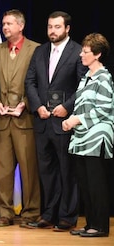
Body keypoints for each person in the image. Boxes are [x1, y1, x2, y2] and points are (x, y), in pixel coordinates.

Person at [24, 11, 87, 231]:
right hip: (42, 122)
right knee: (47, 172)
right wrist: (38, 105)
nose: (52, 31)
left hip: (64, 122)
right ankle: (48, 214)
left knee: (67, 171)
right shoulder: (40, 51)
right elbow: (30, 81)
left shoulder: (78, 51)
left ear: (67, 29)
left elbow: (83, 86)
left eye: (57, 27)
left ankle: (67, 217)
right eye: (50, 26)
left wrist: (66, 107)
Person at [0, 9, 41, 227]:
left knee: (29, 170)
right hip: (1, 120)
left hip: (25, 120)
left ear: (21, 26)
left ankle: (31, 212)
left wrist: (26, 104)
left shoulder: (36, 50)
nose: (5, 27)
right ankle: (4, 212)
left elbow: (40, 83)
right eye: (3, 23)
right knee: (2, 170)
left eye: (9, 23)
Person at [62, 33, 112, 238]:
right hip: (82, 138)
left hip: (96, 137)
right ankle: (90, 222)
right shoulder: (86, 77)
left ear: (97, 54)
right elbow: (81, 105)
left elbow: (104, 108)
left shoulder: (104, 77)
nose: (81, 54)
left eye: (86, 51)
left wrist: (77, 120)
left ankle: (100, 226)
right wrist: (70, 119)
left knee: (96, 184)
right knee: (84, 183)